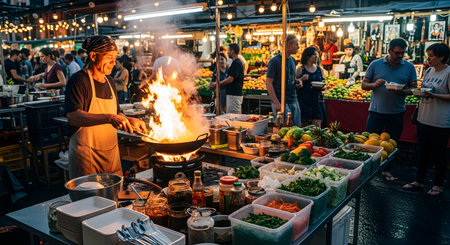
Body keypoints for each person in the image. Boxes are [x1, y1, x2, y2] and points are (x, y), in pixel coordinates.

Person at [65, 35, 147, 179]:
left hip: (110, 154)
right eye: (109, 57)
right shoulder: (78, 80)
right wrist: (109, 118)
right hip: (86, 157)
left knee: (115, 197)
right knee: (89, 199)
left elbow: (116, 113)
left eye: (115, 57)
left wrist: (130, 120)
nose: (113, 62)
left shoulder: (109, 81)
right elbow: (73, 117)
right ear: (93, 55)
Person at [362, 38, 417, 181]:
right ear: (389, 50)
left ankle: (387, 171)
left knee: (393, 143)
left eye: (402, 53)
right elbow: (364, 85)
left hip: (397, 112)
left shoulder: (409, 67)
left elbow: (413, 88)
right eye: (397, 53)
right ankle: (367, 171)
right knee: (369, 142)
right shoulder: (376, 64)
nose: (400, 56)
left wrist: (403, 90)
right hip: (376, 111)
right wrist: (374, 84)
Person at [402, 43, 450, 196]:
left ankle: (438, 184)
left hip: (440, 120)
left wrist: (434, 95)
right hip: (424, 117)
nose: (428, 59)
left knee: (439, 154)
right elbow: (423, 89)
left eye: (431, 56)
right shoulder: (429, 70)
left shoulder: (448, 73)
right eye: (428, 55)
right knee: (422, 152)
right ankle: (419, 181)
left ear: (442, 57)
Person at [266, 35, 301, 126]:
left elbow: (291, 78)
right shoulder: (275, 61)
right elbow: (269, 83)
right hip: (281, 101)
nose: (298, 47)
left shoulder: (293, 60)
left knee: (296, 127)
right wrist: (276, 102)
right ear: (288, 45)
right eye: (296, 45)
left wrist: (298, 82)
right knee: (284, 129)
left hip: (293, 99)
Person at [296, 46, 326, 127]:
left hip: (316, 101)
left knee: (317, 127)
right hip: (304, 101)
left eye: (317, 55)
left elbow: (324, 83)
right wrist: (301, 79)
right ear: (307, 56)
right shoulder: (300, 69)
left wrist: (322, 86)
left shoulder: (320, 69)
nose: (316, 57)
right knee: (303, 126)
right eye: (314, 55)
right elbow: (295, 84)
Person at [210, 43, 244, 114]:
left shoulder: (236, 63)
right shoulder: (234, 63)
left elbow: (230, 79)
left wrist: (217, 83)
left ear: (232, 51)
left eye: (228, 51)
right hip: (232, 95)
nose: (227, 53)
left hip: (234, 95)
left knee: (233, 117)